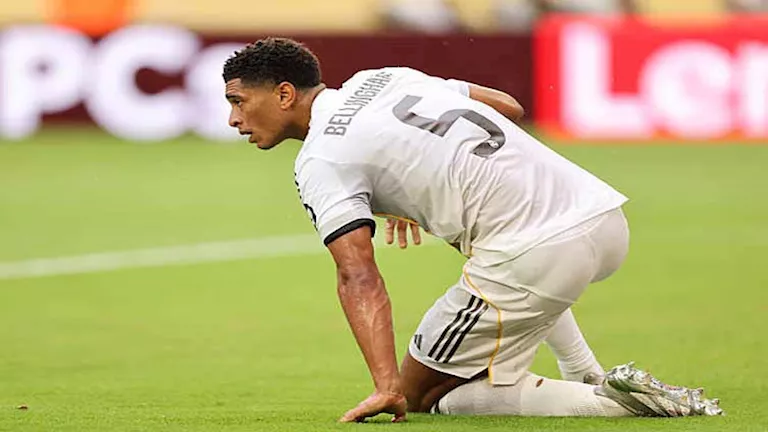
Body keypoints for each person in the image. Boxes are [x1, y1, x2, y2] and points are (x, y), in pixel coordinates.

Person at [221, 37, 724, 422]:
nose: (232, 119)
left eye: (239, 101)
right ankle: (588, 373)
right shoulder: (382, 78)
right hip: (603, 217)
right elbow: (508, 107)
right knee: (502, 266)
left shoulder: (321, 159)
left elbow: (358, 274)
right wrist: (409, 172)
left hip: (538, 253)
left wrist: (387, 387)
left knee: (423, 394)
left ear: (284, 94)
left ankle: (613, 403)